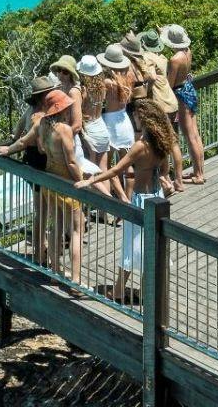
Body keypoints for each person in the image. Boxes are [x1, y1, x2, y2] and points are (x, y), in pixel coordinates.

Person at [76, 87, 184, 303]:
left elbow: (116, 170)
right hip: (157, 196)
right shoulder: (160, 144)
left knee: (130, 246)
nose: (133, 119)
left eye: (135, 116)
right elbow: (164, 171)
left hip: (139, 200)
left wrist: (91, 180)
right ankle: (145, 292)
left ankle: (117, 290)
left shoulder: (140, 147)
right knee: (151, 247)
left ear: (141, 118)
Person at [0, 89, 82, 282]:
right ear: (61, 108)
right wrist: (83, 181)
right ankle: (76, 281)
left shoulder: (42, 124)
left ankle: (55, 273)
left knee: (56, 226)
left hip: (49, 182)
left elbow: (24, 141)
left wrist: (8, 149)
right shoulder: (64, 130)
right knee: (76, 229)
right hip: (66, 183)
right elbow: (72, 163)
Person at [161, 23, 206, 184]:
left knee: (189, 136)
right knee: (195, 134)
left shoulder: (174, 59)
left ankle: (199, 175)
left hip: (180, 94)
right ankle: (199, 170)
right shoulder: (187, 52)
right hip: (189, 89)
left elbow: (170, 83)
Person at [99, 44, 137, 196]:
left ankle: (122, 198)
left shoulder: (108, 83)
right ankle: (128, 196)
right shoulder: (128, 77)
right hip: (124, 120)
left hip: (111, 122)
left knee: (107, 165)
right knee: (127, 163)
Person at [125, 29, 180, 117]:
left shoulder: (148, 57)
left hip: (160, 103)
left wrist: (145, 91)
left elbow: (152, 77)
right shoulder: (162, 58)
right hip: (171, 101)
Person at [74, 54, 111, 183]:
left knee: (90, 173)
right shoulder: (103, 86)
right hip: (101, 128)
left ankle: (96, 202)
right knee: (103, 171)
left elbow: (79, 112)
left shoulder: (83, 90)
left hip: (89, 131)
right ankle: (108, 201)